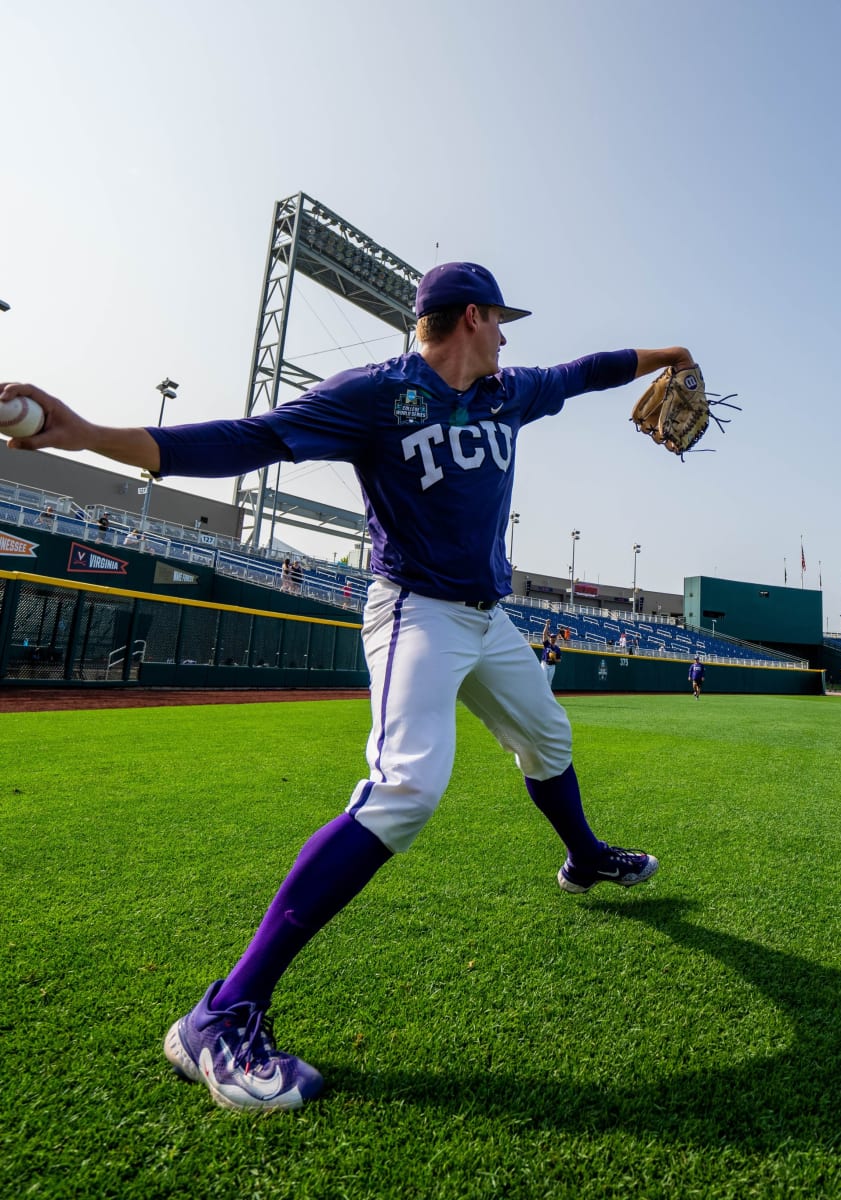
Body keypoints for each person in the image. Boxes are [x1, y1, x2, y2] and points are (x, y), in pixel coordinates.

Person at [1, 260, 692, 1112]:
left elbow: (589, 371)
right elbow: (241, 439)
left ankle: (585, 860)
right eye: (500, 320)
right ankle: (221, 1014)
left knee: (549, 737)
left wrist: (672, 354)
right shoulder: (375, 393)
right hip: (416, 613)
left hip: (488, 617)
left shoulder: (507, 391)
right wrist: (87, 432)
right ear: (470, 317)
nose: (510, 335)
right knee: (406, 787)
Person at [541, 618, 562, 687]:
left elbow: (559, 660)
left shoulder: (557, 648)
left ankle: (547, 696)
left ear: (555, 639)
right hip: (545, 664)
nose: (552, 638)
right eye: (551, 637)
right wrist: (547, 624)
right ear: (550, 638)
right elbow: (544, 634)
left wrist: (554, 659)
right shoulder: (547, 644)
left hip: (552, 666)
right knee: (543, 680)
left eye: (554, 637)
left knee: (549, 683)